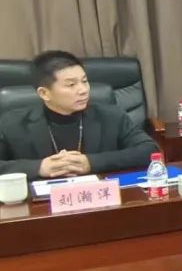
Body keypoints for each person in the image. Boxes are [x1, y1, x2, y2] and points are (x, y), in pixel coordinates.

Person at [0, 50, 157, 180]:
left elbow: (149, 150)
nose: (83, 90)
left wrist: (92, 163)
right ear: (44, 93)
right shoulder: (12, 123)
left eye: (84, 81)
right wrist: (39, 167)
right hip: (39, 204)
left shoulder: (111, 116)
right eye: (71, 84)